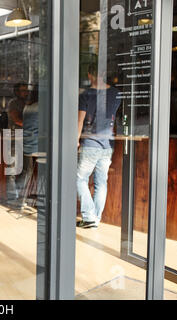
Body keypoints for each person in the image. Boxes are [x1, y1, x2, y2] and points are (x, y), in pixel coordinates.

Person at [76, 63, 121, 228]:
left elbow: (80, 120)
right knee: (101, 182)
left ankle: (89, 217)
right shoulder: (116, 93)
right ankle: (95, 219)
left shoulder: (86, 94)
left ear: (89, 75)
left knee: (80, 179)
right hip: (108, 144)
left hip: (91, 142)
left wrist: (76, 140)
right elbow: (112, 117)